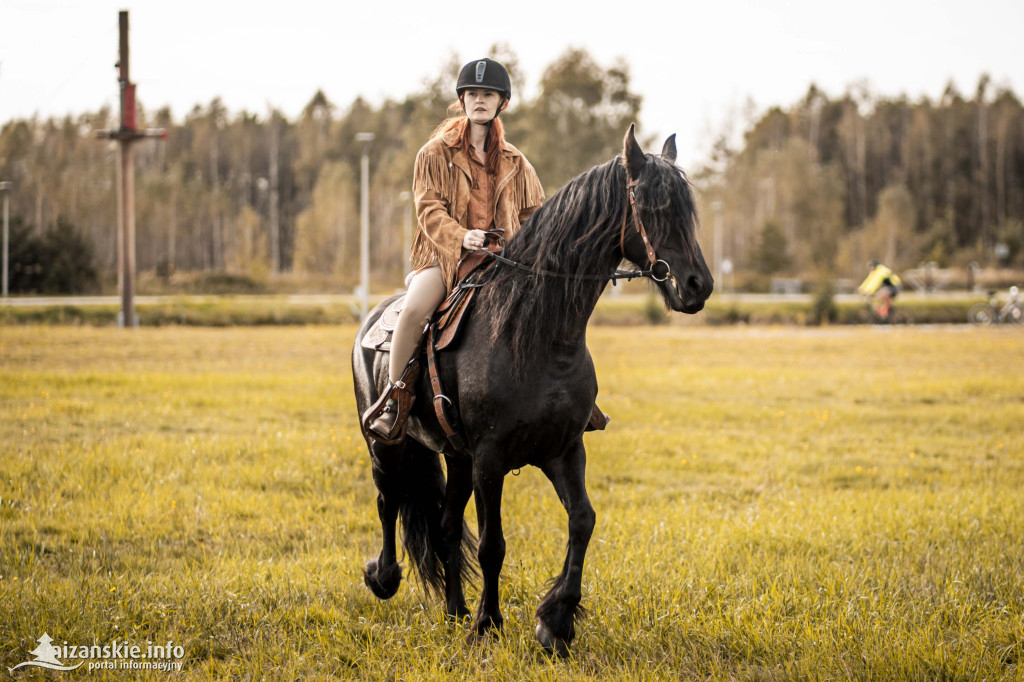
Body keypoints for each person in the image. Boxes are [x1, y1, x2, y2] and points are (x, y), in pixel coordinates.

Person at [362, 58, 545, 444]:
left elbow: (535, 215)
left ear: (502, 103)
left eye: (488, 94)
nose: (479, 100)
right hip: (444, 258)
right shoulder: (433, 153)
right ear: (462, 101)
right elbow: (428, 211)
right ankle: (395, 399)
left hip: (501, 260)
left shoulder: (517, 162)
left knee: (550, 305)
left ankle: (568, 395)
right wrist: (462, 237)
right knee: (413, 310)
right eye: (473, 94)